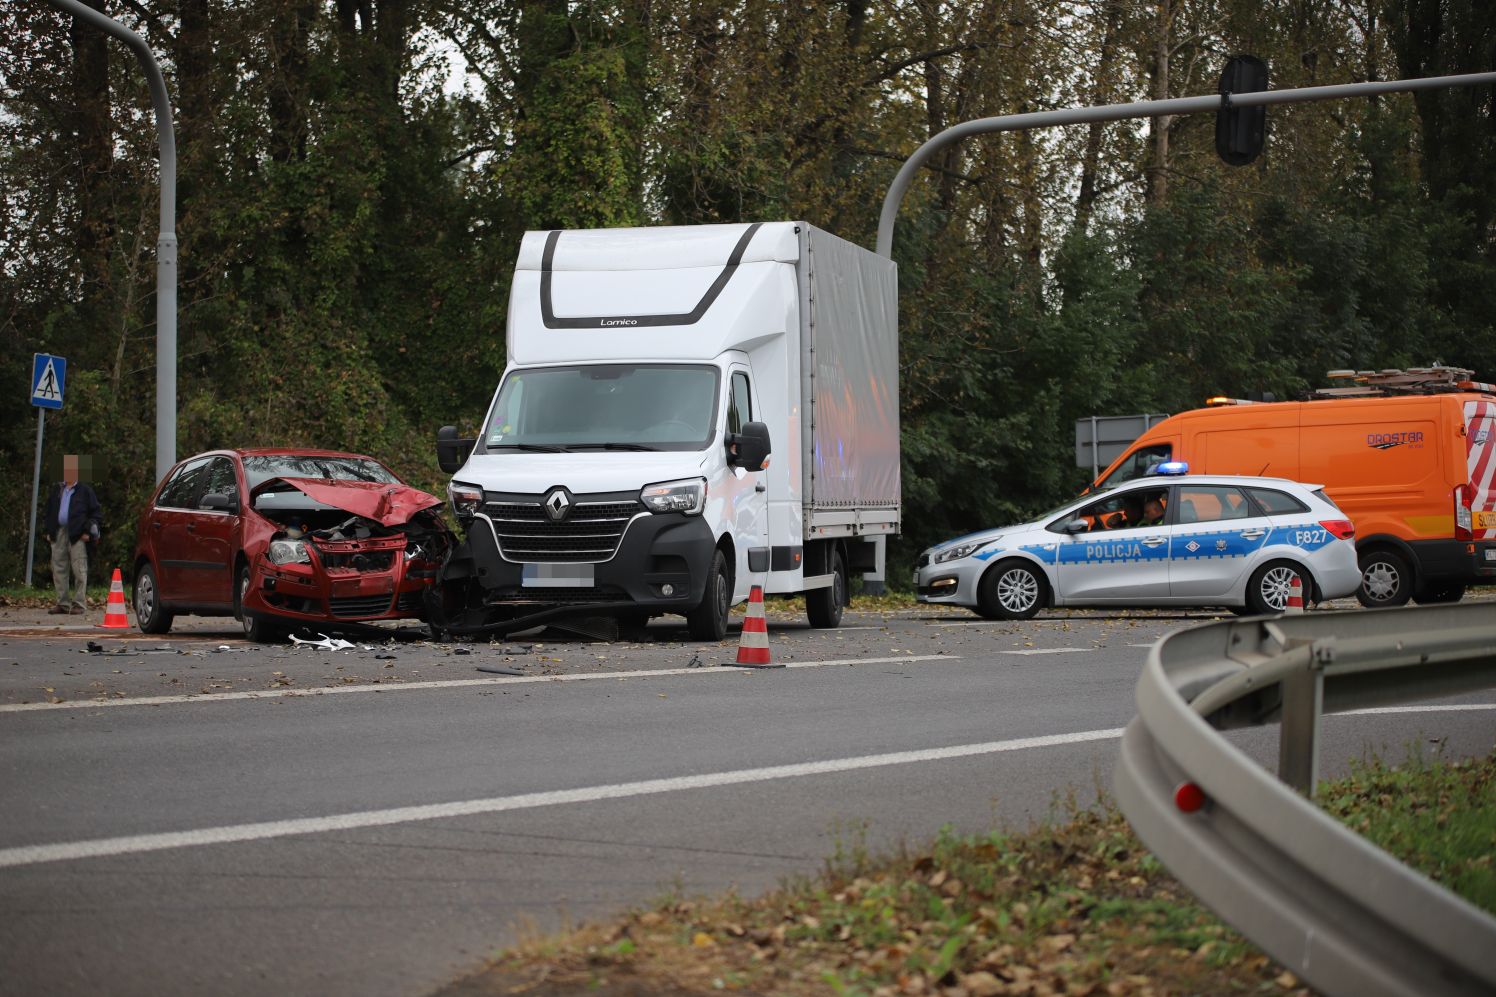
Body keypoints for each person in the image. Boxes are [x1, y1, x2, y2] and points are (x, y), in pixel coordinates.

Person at [44, 455, 102, 615]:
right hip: (59, 532)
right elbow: (49, 511)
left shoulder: (85, 491)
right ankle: (62, 603)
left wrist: (87, 533)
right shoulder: (57, 490)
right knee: (59, 568)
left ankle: (79, 603)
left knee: (79, 569)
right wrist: (49, 531)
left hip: (77, 533)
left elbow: (96, 513)